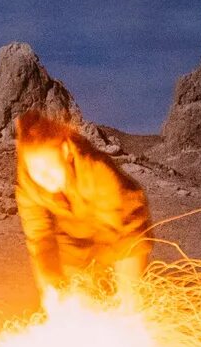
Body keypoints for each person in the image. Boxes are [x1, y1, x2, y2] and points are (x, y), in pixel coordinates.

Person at [13, 109, 152, 310]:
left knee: (128, 300)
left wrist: (128, 292)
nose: (43, 178)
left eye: (49, 168)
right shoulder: (28, 185)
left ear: (65, 151)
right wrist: (51, 287)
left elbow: (126, 235)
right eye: (36, 171)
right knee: (73, 299)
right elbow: (40, 238)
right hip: (73, 238)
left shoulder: (98, 170)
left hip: (122, 227)